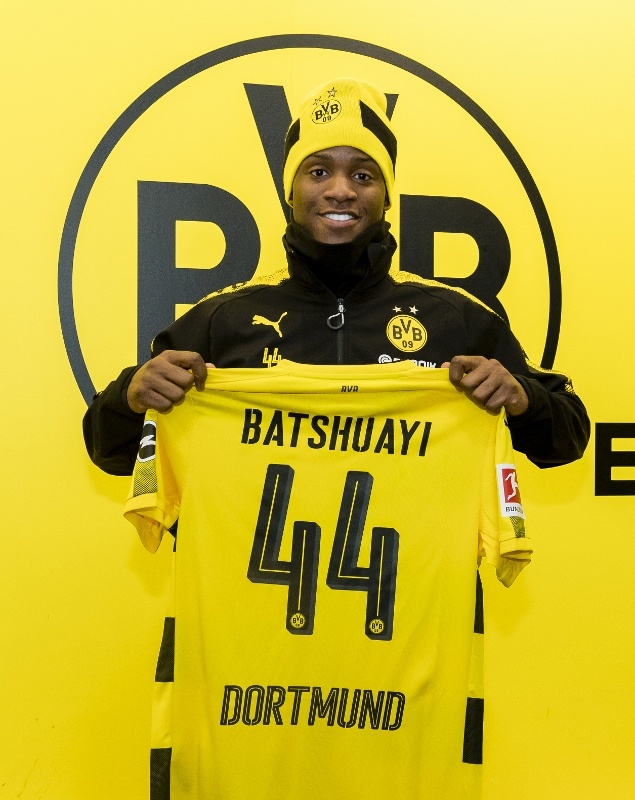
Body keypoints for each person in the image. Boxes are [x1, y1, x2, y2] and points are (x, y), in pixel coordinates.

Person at [83, 77, 590, 475]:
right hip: (252, 579)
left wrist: (524, 399)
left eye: (364, 175)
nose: (341, 190)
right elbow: (109, 450)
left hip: (416, 578)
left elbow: (567, 439)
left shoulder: (455, 317)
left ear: (387, 196)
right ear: (291, 190)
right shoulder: (222, 319)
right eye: (319, 171)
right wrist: (131, 397)